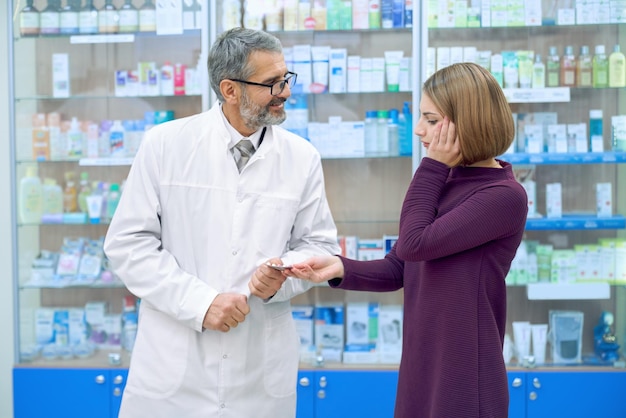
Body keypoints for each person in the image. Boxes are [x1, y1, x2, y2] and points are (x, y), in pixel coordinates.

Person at [103, 27, 340, 418]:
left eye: (285, 78)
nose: (285, 91)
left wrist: (281, 277)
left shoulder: (302, 157)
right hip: (174, 370)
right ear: (230, 90)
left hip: (258, 373)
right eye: (271, 83)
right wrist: (201, 303)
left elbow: (321, 248)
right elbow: (128, 245)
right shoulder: (165, 145)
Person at [285, 62, 529, 418]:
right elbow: (402, 264)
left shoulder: (502, 195)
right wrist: (338, 267)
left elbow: (415, 242)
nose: (418, 130)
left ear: (469, 122)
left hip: (463, 372)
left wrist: (432, 166)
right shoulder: (447, 181)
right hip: (423, 361)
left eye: (431, 120)